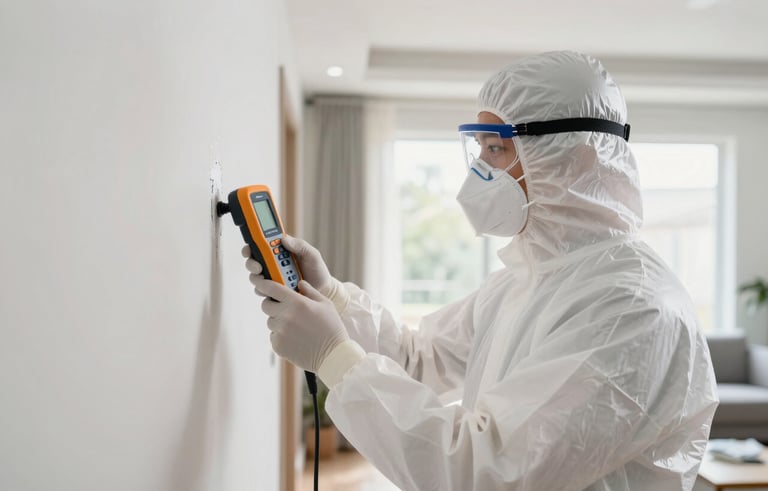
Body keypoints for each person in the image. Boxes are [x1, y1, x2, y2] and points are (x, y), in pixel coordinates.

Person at [243, 50, 719, 490]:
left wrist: (335, 358)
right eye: (480, 149)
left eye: (496, 148)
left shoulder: (632, 307)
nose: (479, 171)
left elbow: (485, 471)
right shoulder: (529, 277)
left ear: (573, 156)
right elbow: (419, 359)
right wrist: (334, 298)